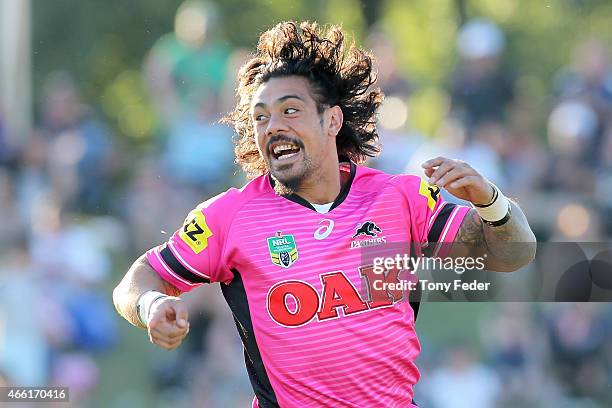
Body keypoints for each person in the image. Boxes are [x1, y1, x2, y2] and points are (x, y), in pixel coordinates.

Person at [113, 21, 536, 407]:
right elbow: (138, 277)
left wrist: (491, 202)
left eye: (289, 110)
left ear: (332, 120)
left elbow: (512, 254)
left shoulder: (400, 196)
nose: (272, 126)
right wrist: (151, 304)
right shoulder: (231, 215)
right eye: (261, 117)